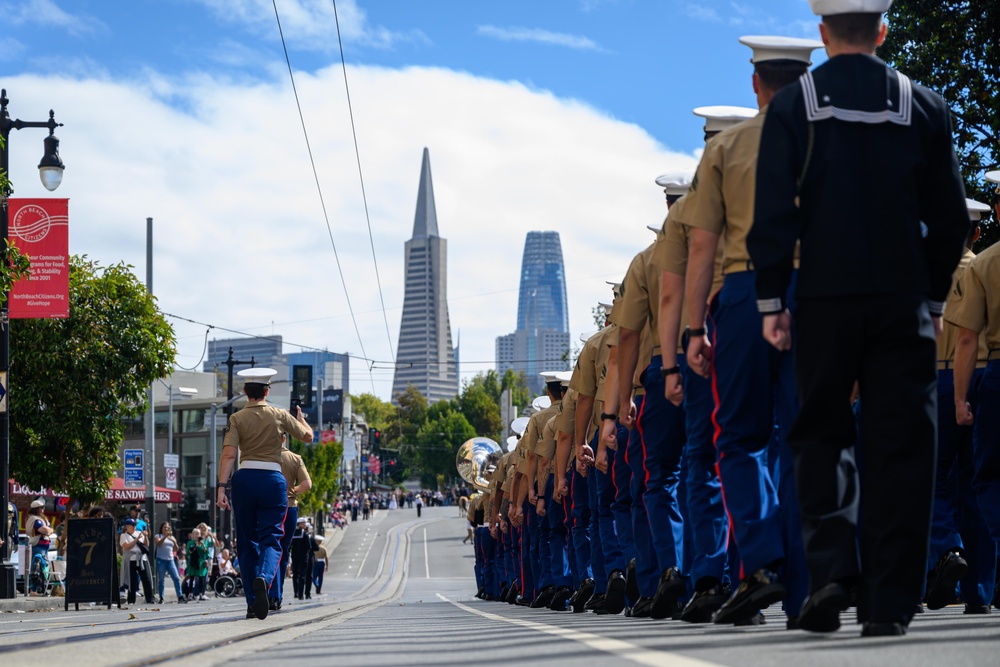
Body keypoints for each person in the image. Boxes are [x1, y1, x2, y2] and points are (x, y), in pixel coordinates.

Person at [747, 0, 972, 636]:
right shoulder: (926, 107)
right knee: (902, 446)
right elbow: (952, 218)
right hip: (902, 300)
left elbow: (772, 213)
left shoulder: (794, 106)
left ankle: (831, 574)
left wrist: (771, 302)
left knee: (820, 433)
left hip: (823, 298)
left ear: (822, 32)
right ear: (882, 29)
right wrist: (930, 299)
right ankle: (890, 602)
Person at [681, 37, 821, 627]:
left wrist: (693, 332)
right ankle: (806, 588)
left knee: (738, 438)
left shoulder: (727, 148)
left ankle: (760, 563)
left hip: (742, 294)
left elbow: (702, 248)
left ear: (756, 85)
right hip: (817, 294)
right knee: (806, 439)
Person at [216, 367, 313, 620]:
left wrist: (221, 489)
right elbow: (308, 437)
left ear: (245, 391)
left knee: (247, 544)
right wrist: (300, 418)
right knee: (272, 538)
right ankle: (265, 578)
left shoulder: (236, 418)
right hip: (272, 480)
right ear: (267, 391)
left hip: (244, 479)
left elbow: (228, 455)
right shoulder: (279, 414)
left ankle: (251, 601)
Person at [945, 170, 1000, 605]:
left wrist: (961, 397)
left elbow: (965, 337)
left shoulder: (984, 264)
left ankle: (955, 569)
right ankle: (983, 584)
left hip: (974, 375)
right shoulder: (978, 262)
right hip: (986, 370)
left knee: (980, 479)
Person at [268, 434, 312, 610]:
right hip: (289, 506)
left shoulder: (266, 457)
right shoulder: (295, 458)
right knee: (283, 551)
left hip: (269, 507)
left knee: (269, 547)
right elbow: (307, 484)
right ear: (284, 439)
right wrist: (292, 490)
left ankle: (270, 590)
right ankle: (276, 596)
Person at [120, 518, 154, 604]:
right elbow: (127, 547)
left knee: (146, 578)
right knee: (132, 580)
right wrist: (136, 539)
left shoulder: (139, 533)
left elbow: (146, 545)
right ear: (127, 526)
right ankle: (131, 600)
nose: (135, 526)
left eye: (135, 524)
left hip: (142, 558)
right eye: (133, 525)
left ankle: (150, 598)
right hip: (131, 559)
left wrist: (145, 536)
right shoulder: (124, 536)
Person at [154, 521, 186, 604]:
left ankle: (180, 596)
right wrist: (165, 537)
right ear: (161, 528)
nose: (166, 529)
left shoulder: (172, 537)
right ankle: (161, 597)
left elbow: (176, 549)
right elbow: (158, 543)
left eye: (167, 527)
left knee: (176, 578)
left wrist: (174, 541)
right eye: (165, 527)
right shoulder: (158, 536)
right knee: (161, 579)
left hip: (170, 560)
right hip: (161, 559)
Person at [25, 499, 52, 595]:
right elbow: (44, 530)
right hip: (38, 546)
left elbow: (50, 529)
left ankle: (41, 589)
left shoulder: (43, 519)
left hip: (44, 547)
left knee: (43, 568)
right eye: (41, 507)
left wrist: (49, 530)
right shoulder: (34, 519)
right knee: (36, 568)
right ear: (36, 509)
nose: (43, 509)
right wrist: (48, 530)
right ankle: (33, 589)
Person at [186, 528, 210, 601]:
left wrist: (203, 546)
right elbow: (188, 552)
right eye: (196, 534)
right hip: (193, 562)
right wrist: (196, 545)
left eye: (198, 534)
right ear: (193, 535)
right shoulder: (190, 543)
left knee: (201, 578)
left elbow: (206, 553)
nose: (197, 535)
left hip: (201, 563)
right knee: (192, 578)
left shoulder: (204, 542)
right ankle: (190, 594)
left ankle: (201, 594)